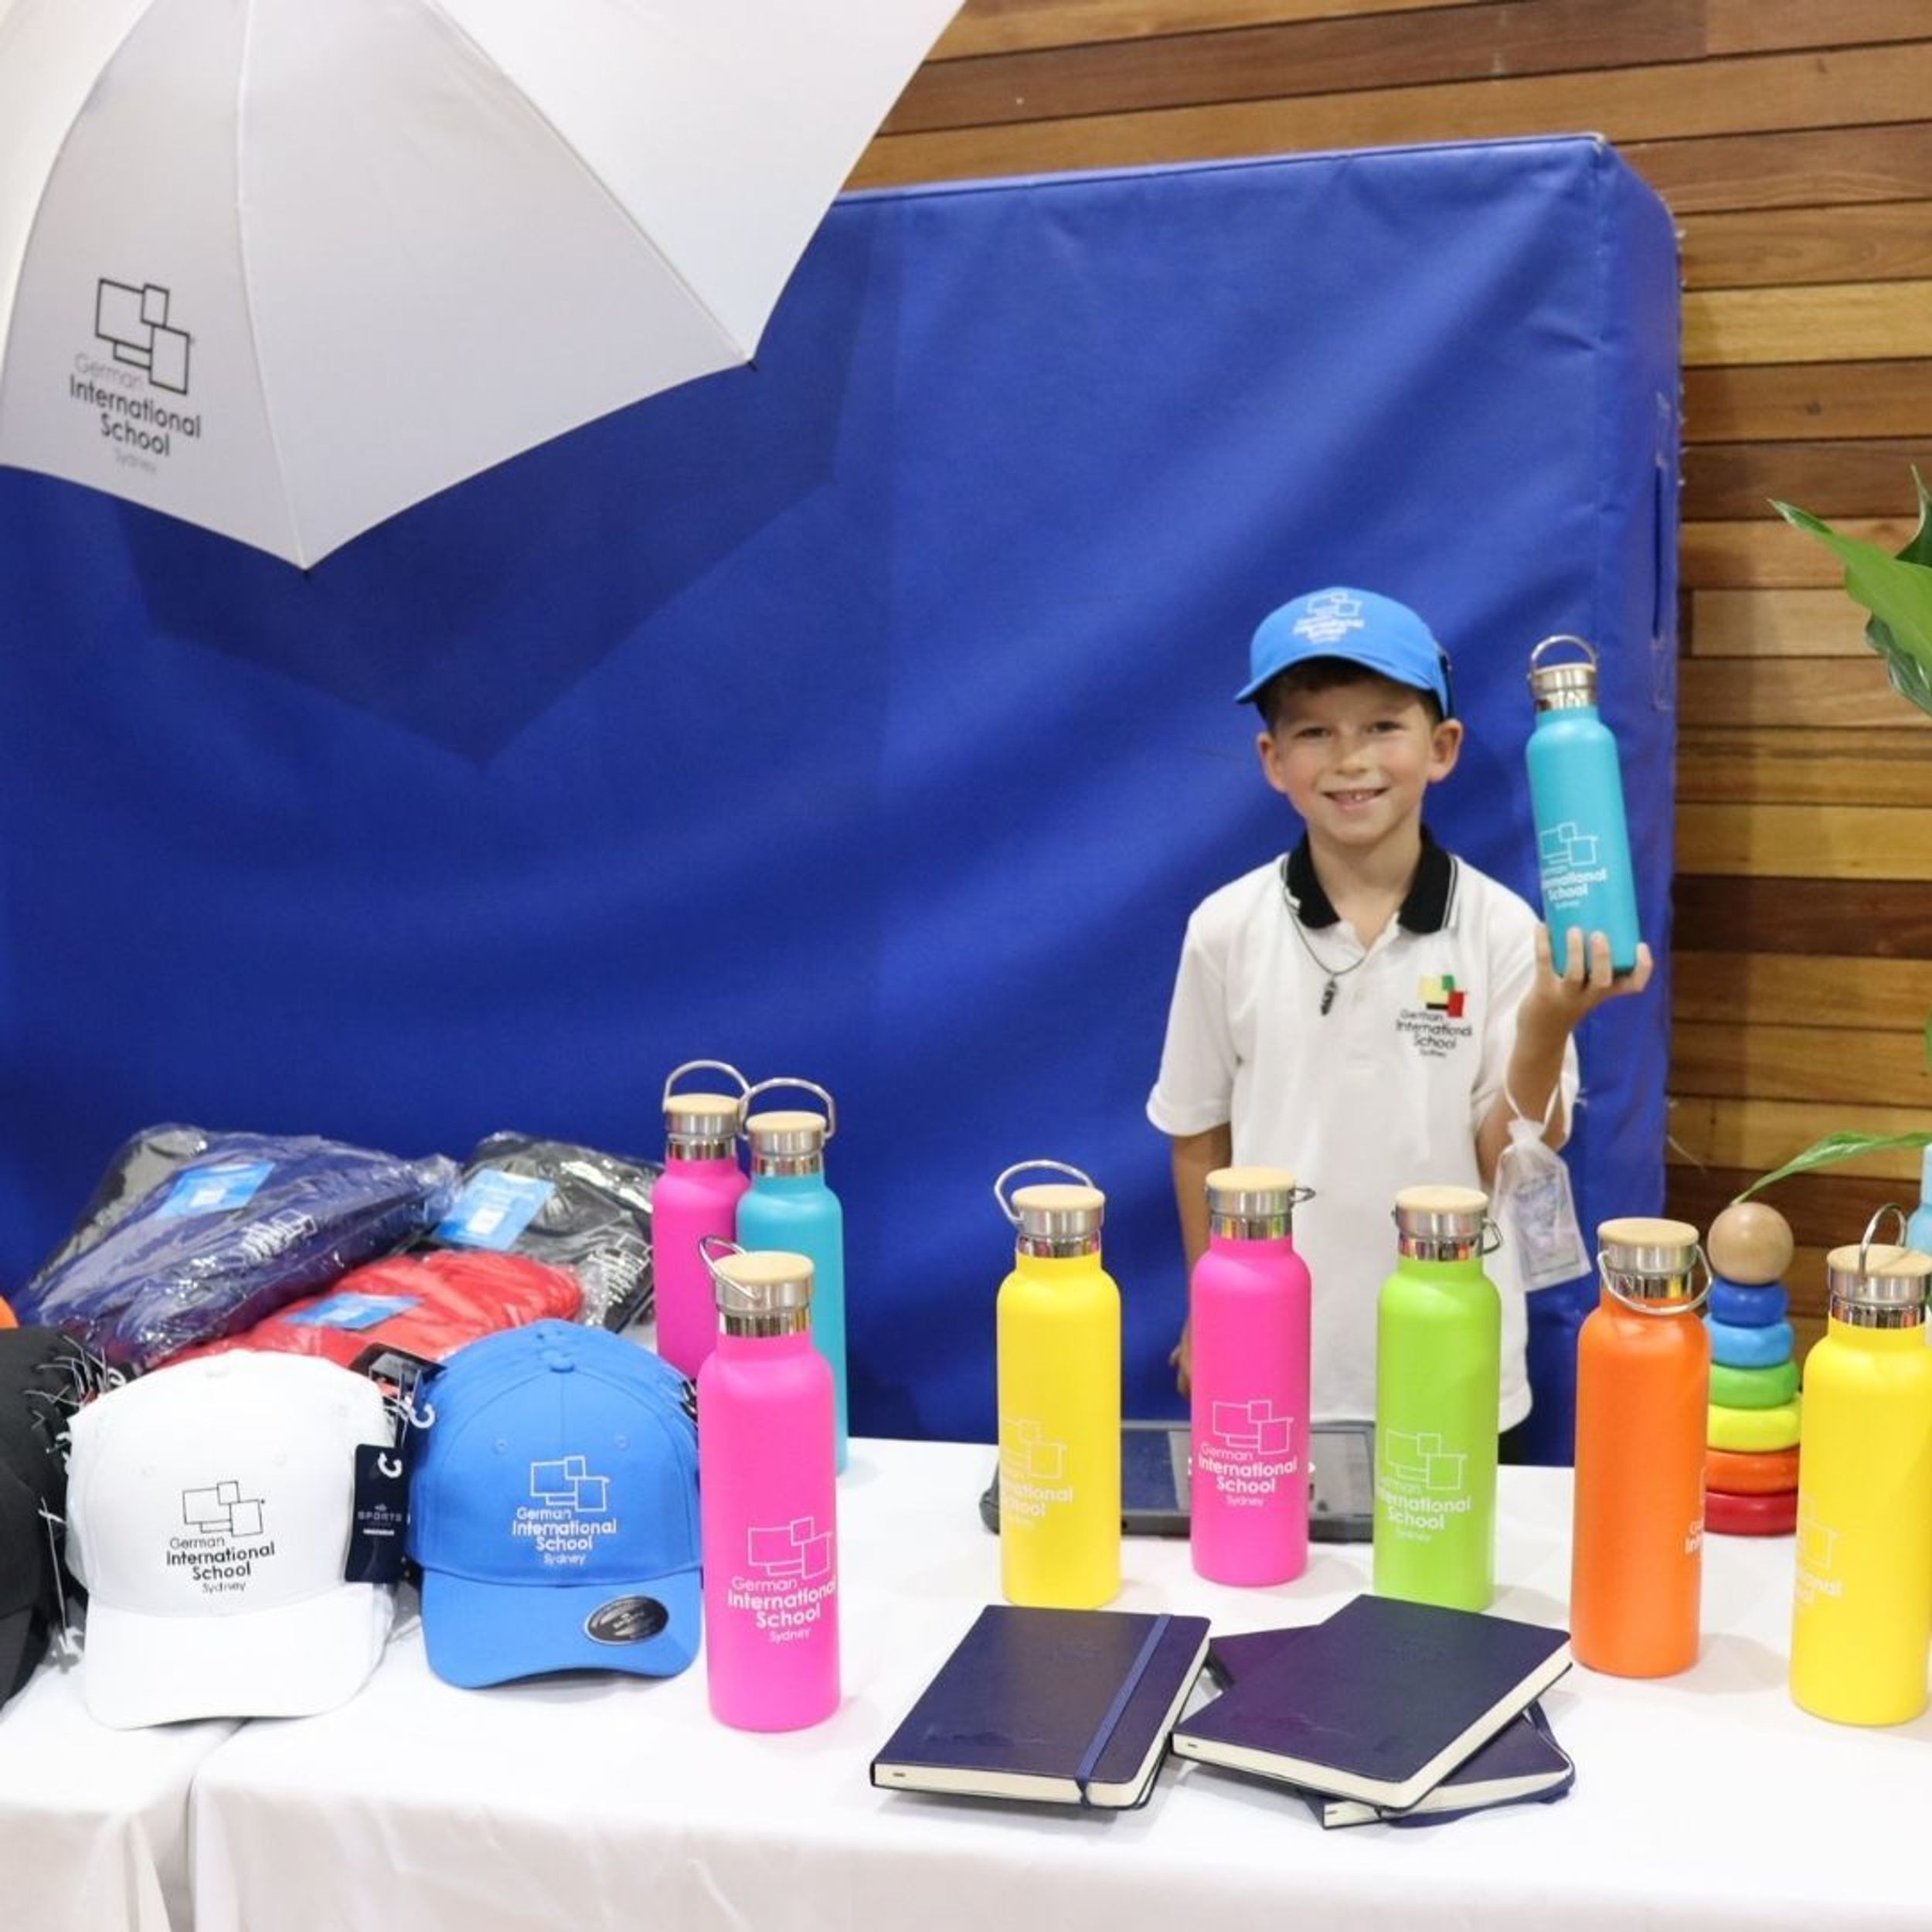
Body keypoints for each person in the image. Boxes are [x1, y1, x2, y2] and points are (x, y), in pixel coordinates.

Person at [1146, 586, 1652, 1431]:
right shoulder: (1225, 928)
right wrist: (1213, 1306)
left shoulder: (1502, 928)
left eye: (1383, 726)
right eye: (1315, 732)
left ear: (1442, 746)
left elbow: (1509, 1157)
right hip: (1273, 1359)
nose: (1351, 760)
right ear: (1272, 759)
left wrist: (1548, 1022)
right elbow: (1198, 1137)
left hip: (1452, 1354)